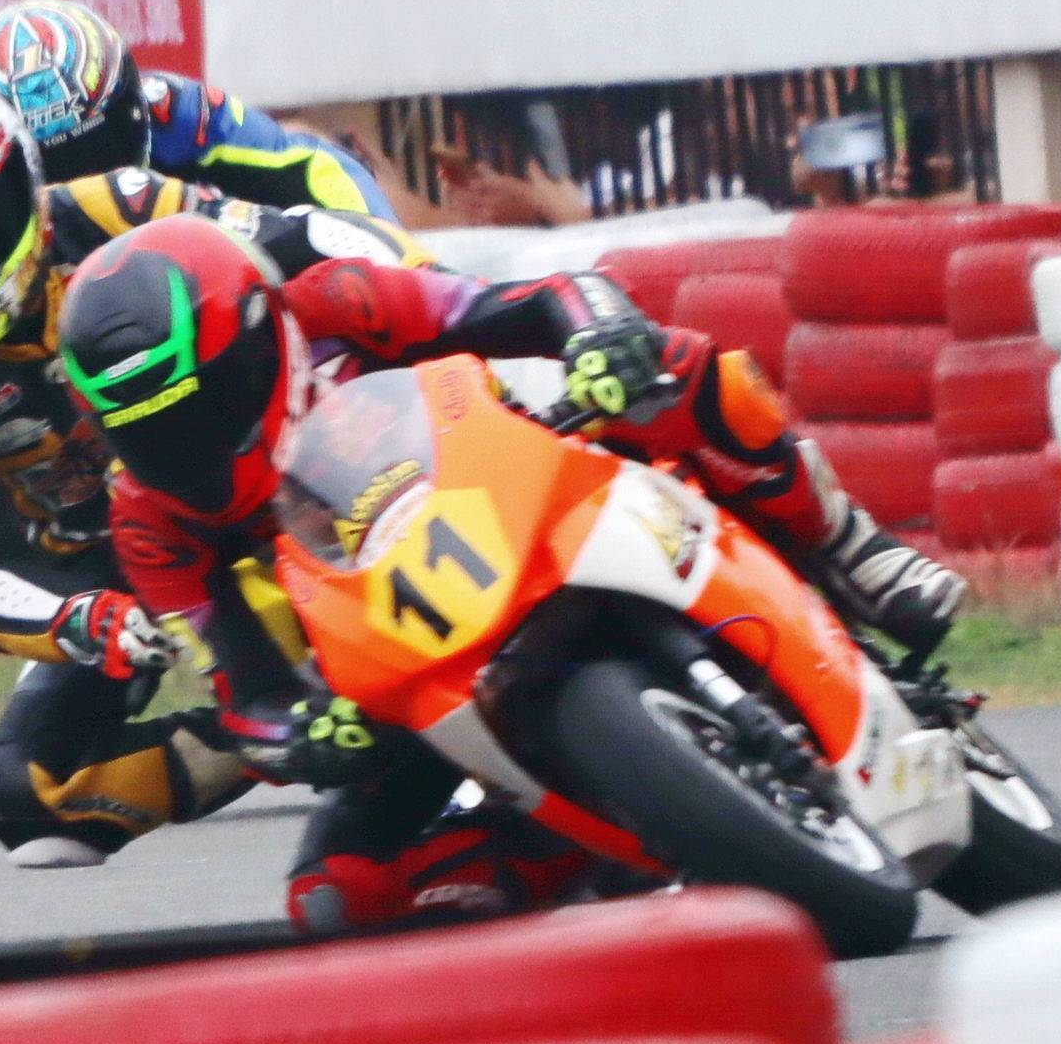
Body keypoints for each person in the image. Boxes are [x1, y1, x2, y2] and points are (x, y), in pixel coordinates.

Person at [51, 215, 976, 930]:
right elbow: (239, 682)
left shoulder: (341, 301)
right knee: (335, 894)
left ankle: (851, 546)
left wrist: (598, 333)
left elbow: (536, 298)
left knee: (670, 368)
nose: (184, 439)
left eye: (200, 399)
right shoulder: (150, 522)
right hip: (401, 665)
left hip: (524, 492)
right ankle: (599, 850)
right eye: (148, 429)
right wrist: (298, 733)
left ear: (262, 334)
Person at [0, 76, 413, 870]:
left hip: (273, 475)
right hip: (126, 568)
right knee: (21, 793)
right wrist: (82, 617)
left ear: (21, 195)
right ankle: (288, 736)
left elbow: (297, 239)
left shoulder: (120, 206)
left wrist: (417, 274)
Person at [0, 0, 389, 210]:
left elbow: (312, 163)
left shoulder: (178, 113)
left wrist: (391, 260)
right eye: (56, 172)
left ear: (131, 105)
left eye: (93, 156)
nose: (87, 193)